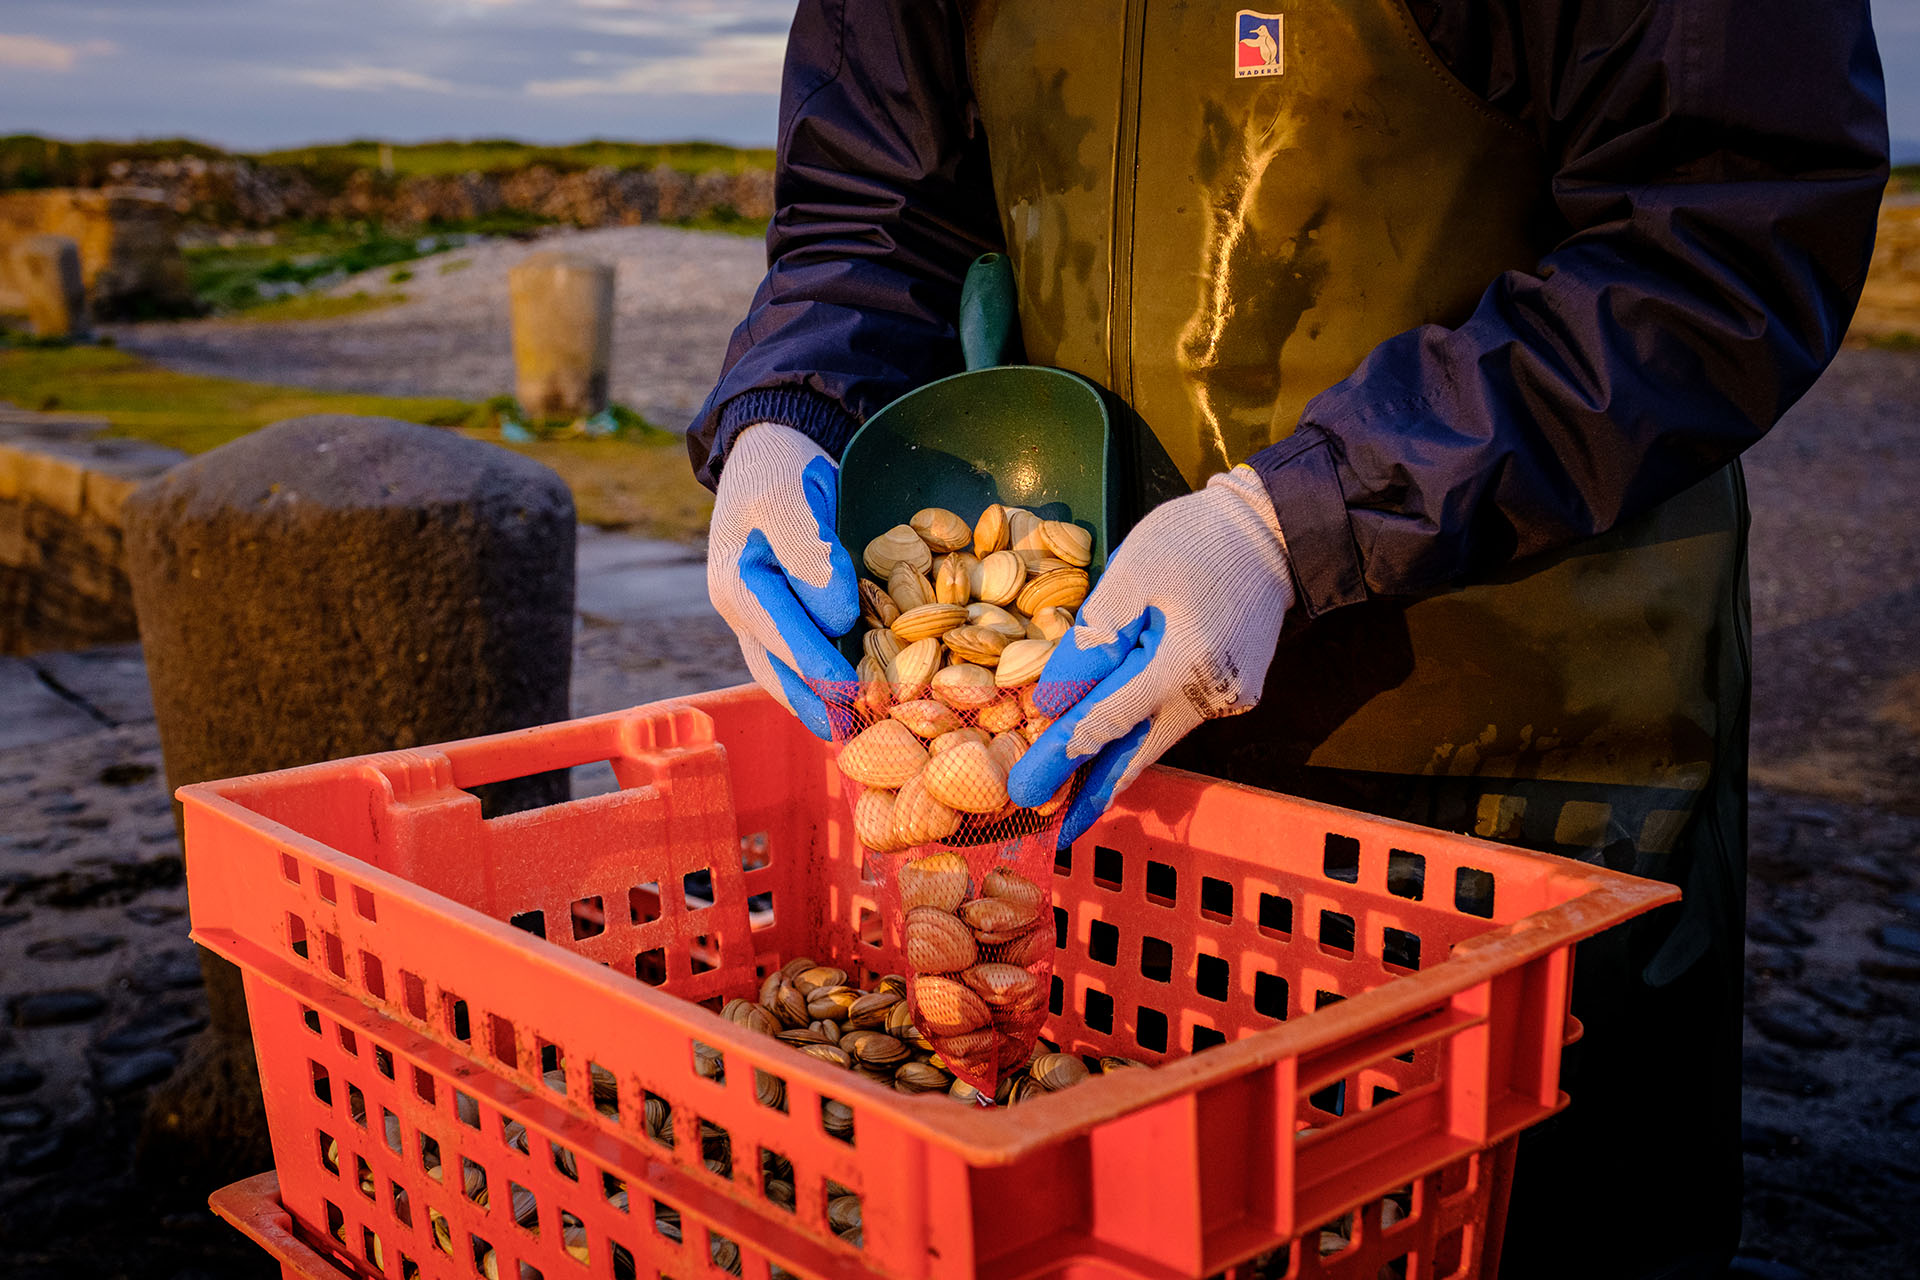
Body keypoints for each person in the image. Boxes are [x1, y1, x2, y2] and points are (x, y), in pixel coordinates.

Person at [689, 2, 1888, 1275]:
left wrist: (1296, 523)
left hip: (1523, 738)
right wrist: (791, 405)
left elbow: (1723, 236)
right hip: (1111, 733)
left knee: (1520, 1214)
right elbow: (873, 210)